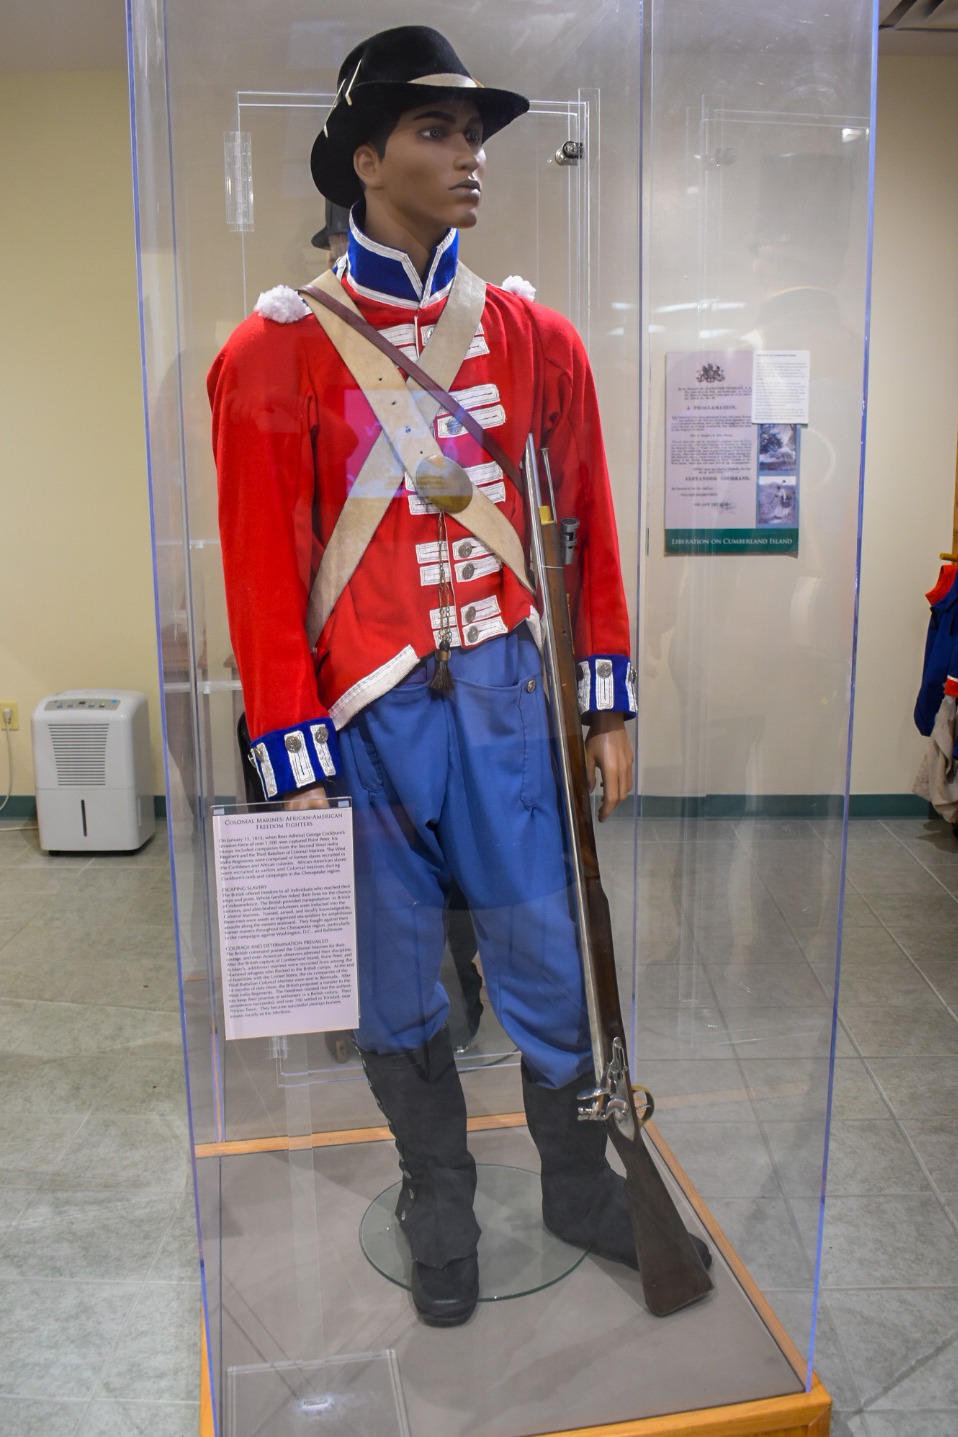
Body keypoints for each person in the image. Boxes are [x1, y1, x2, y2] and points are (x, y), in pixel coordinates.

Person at [209, 24, 706, 1327]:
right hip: (366, 717)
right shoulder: (270, 352)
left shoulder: (534, 337)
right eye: (435, 131)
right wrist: (292, 757)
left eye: (473, 133)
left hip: (505, 703)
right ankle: (437, 1191)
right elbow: (262, 574)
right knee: (391, 970)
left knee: (544, 948)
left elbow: (584, 525)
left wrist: (602, 698)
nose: (468, 154)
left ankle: (573, 1181)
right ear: (365, 161)